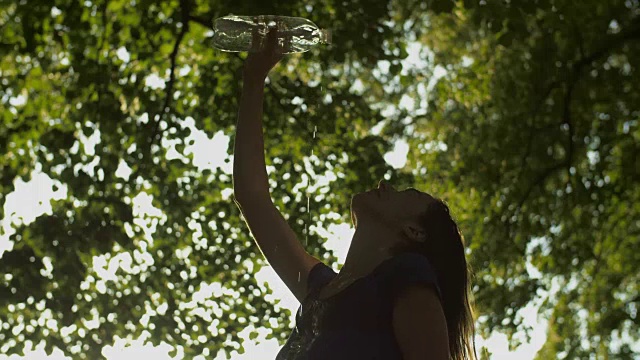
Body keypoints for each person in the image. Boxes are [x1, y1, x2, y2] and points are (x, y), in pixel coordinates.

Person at [233, 27, 478, 360]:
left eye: (405, 192)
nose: (384, 185)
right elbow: (253, 198)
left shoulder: (407, 276)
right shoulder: (319, 290)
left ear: (414, 230)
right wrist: (253, 79)